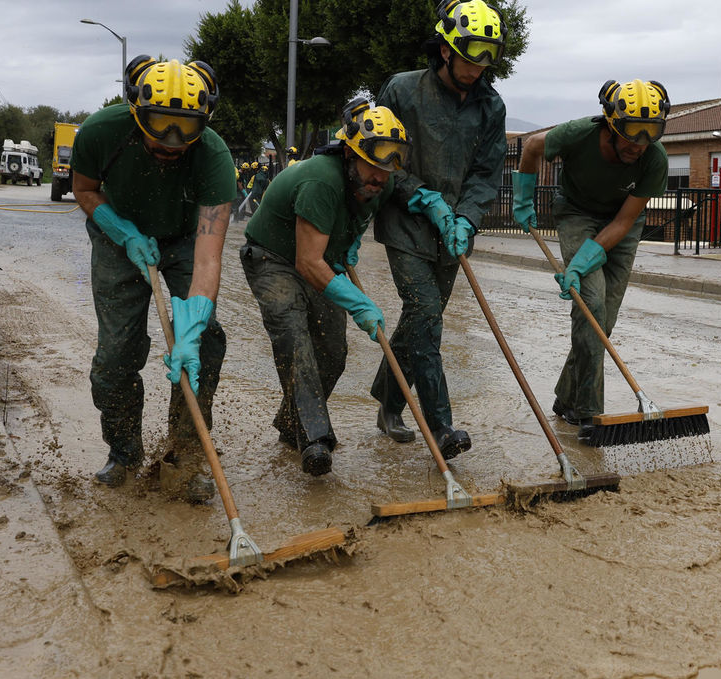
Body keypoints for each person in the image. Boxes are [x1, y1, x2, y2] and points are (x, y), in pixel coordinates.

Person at [71, 55, 237, 500]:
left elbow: (207, 260)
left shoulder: (215, 157)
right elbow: (84, 189)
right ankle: (124, 452)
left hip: (185, 239)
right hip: (118, 234)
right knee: (115, 357)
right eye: (159, 123)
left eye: (186, 127)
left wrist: (193, 325)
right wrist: (123, 232)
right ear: (136, 112)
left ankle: (182, 458)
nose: (172, 139)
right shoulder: (100, 132)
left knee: (205, 342)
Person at [368, 0, 508, 459]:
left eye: (489, 55)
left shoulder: (491, 106)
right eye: (471, 54)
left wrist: (466, 217)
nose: (479, 66)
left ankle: (388, 401)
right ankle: (442, 426)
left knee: (420, 324)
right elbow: (379, 156)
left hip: (453, 232)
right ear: (446, 49)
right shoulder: (404, 91)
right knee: (426, 312)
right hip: (405, 221)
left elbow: (487, 174)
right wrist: (422, 197)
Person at [240, 99, 407, 475]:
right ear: (349, 155)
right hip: (273, 258)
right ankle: (315, 439)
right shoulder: (321, 179)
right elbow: (306, 263)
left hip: (320, 259)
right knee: (295, 336)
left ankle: (292, 424)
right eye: (372, 167)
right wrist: (358, 301)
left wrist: (348, 246)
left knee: (332, 350)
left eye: (387, 169)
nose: (379, 178)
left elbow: (353, 222)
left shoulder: (382, 178)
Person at [511, 79, 670, 443]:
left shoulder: (655, 159)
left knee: (602, 322)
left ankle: (566, 397)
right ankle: (588, 412)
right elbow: (533, 146)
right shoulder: (579, 134)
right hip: (576, 213)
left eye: (650, 135)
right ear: (612, 124)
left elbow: (623, 223)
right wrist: (523, 198)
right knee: (591, 305)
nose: (639, 145)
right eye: (631, 134)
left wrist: (581, 263)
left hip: (621, 225)